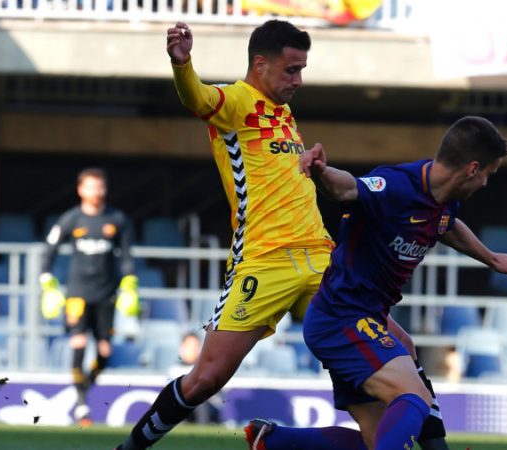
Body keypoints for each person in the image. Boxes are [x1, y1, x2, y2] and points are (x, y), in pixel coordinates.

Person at [115, 19, 447, 450]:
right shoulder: (236, 101)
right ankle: (129, 448)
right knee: (207, 377)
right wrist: (183, 65)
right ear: (260, 64)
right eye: (291, 70)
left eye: (302, 69)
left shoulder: (285, 115)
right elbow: (197, 97)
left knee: (401, 346)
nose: (299, 80)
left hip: (323, 261)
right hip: (264, 261)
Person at [245, 116, 507, 450]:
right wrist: (321, 170)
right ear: (472, 168)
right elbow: (348, 187)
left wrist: (491, 257)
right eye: (488, 174)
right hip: (342, 317)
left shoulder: (446, 197)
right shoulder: (396, 186)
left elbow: (446, 224)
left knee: (377, 438)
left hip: (362, 316)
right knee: (413, 394)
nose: (486, 183)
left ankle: (273, 441)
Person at [39, 167, 140, 427]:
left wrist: (130, 283)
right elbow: (48, 251)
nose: (96, 192)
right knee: (79, 343)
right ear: (81, 190)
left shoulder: (117, 219)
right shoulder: (71, 219)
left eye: (100, 187)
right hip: (78, 293)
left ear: (104, 190)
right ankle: (82, 404)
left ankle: (83, 387)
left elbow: (127, 255)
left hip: (107, 294)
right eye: (91, 187)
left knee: (104, 352)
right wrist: (46, 281)